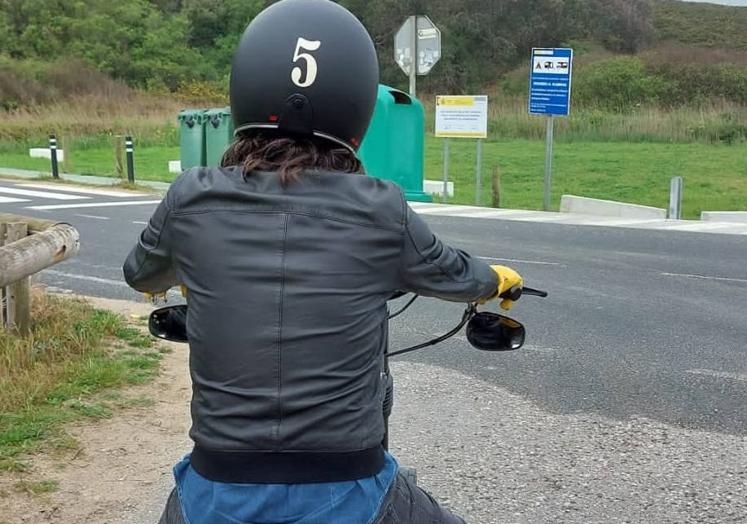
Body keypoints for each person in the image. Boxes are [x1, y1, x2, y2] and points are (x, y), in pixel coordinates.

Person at [123, 0, 523, 522]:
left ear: (244, 91)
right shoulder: (382, 209)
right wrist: (498, 280)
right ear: (356, 104)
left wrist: (186, 278)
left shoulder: (190, 200)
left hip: (216, 492)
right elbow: (454, 273)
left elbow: (141, 273)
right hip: (350, 491)